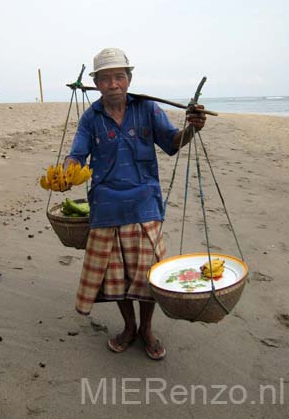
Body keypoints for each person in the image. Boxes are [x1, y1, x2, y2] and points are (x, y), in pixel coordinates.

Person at [64, 48, 206, 360]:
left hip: (145, 204)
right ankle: (129, 326)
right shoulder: (91, 118)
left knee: (149, 276)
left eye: (119, 76)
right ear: (97, 84)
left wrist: (192, 128)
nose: (113, 83)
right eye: (105, 78)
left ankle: (147, 328)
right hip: (106, 207)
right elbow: (77, 154)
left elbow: (172, 141)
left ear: (129, 79)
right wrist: (66, 169)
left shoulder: (147, 109)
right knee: (117, 278)